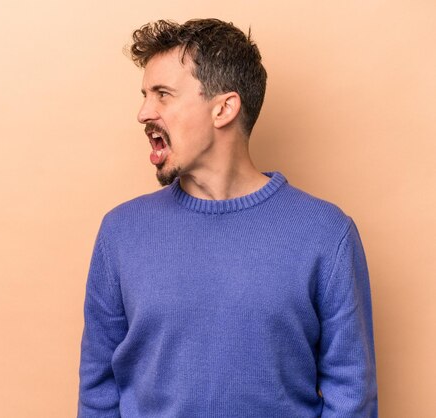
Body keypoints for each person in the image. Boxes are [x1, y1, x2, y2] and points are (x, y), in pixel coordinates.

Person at [78, 18, 377, 417]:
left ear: (223, 108)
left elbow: (351, 396)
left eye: (163, 95)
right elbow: (98, 392)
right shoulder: (120, 232)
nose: (144, 112)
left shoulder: (326, 234)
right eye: (145, 95)